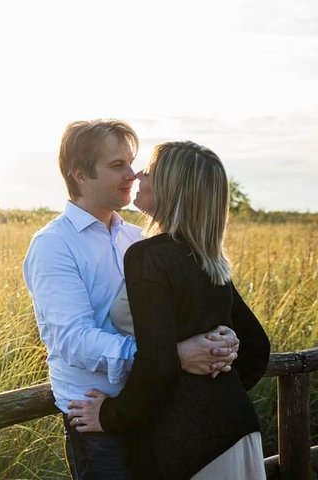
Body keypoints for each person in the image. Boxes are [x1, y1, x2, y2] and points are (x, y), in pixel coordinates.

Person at [23, 119, 240, 479]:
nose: (134, 174)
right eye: (117, 165)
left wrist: (223, 338)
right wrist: (171, 356)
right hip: (96, 418)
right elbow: (73, 340)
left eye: (132, 162)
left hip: (152, 406)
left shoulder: (139, 238)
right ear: (80, 174)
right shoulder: (54, 245)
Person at [66, 141, 271, 479]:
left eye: (149, 170)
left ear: (171, 188)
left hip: (193, 448)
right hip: (238, 431)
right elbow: (257, 349)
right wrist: (215, 387)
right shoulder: (208, 257)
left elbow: (157, 364)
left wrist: (109, 415)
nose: (138, 175)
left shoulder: (149, 256)